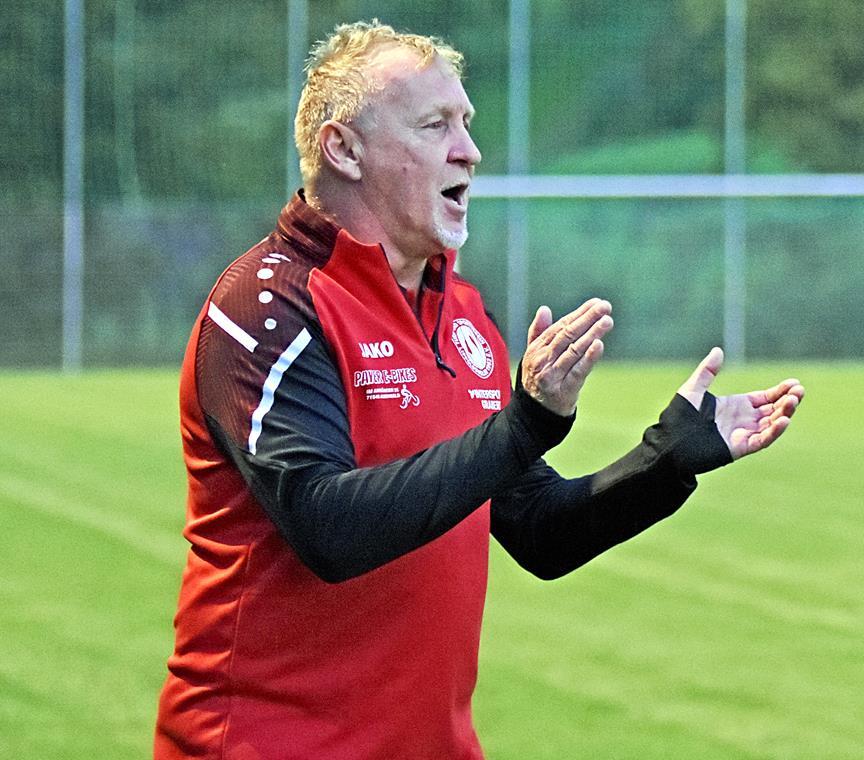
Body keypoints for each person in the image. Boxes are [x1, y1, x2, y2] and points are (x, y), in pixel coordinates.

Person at [154, 19, 804, 760]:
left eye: (467, 123)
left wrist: (665, 459)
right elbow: (325, 528)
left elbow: (538, 529)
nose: (470, 150)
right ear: (344, 149)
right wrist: (522, 426)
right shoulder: (269, 307)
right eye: (436, 125)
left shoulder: (464, 317)